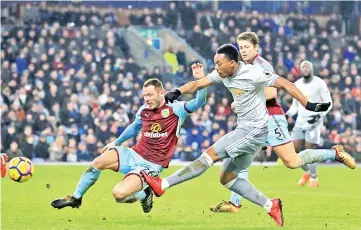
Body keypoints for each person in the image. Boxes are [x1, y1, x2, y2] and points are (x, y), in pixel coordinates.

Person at [141, 44, 332, 227]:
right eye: (215, 63)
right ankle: (270, 205)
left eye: (219, 63)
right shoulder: (222, 73)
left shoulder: (253, 73)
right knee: (227, 178)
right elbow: (199, 83)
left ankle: (162, 184)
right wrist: (177, 91)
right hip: (247, 130)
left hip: (254, 130)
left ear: (232, 63)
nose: (216, 68)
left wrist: (308, 105)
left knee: (209, 155)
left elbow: (285, 84)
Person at [209, 33, 355, 213]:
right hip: (254, 120)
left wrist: (241, 100)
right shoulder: (242, 68)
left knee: (292, 161)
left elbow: (271, 94)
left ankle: (334, 153)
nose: (243, 51)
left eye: (247, 47)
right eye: (240, 47)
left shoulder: (261, 65)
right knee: (238, 157)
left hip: (270, 117)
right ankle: (235, 203)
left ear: (256, 48)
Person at [51, 78, 207, 213]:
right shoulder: (144, 109)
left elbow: (200, 101)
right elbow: (134, 127)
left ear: (161, 93)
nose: (146, 98)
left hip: (152, 165)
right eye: (144, 95)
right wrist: (116, 142)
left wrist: (201, 81)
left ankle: (145, 194)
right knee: (98, 162)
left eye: (150, 95)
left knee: (119, 195)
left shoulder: (176, 109)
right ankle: (76, 198)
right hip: (134, 153)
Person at [286, 60, 337, 188]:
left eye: (307, 66)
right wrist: (287, 115)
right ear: (300, 69)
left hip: (314, 121)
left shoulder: (319, 83)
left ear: (312, 68)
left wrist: (318, 115)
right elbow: (294, 106)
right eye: (303, 67)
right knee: (293, 151)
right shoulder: (297, 84)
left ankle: (314, 178)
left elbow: (328, 103)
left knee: (310, 150)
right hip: (300, 121)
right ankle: (308, 171)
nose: (305, 68)